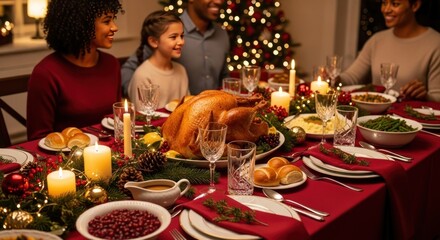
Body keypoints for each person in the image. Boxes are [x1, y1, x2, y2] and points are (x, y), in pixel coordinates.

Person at [26, 0, 123, 140]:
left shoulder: (111, 64)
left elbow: (115, 121)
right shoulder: (46, 73)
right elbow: (38, 138)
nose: (115, 27)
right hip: (66, 158)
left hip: (108, 153)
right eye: (107, 21)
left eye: (113, 19)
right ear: (82, 25)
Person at [121, 0, 229, 96]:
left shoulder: (222, 34)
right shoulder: (166, 29)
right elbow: (130, 70)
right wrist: (141, 96)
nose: (219, 1)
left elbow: (224, 77)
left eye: (182, 36)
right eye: (174, 37)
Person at [339, 0, 440, 102]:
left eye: (395, 4)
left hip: (410, 116)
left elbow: (437, 96)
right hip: (376, 116)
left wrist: (424, 96)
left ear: (415, 5)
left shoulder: (435, 43)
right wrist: (333, 79)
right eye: (384, 3)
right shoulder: (377, 40)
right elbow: (351, 77)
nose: (386, 10)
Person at [128, 11, 188, 110]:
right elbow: (142, 118)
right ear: (154, 41)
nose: (181, 42)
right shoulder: (143, 76)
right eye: (173, 37)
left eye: (181, 36)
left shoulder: (181, 70)